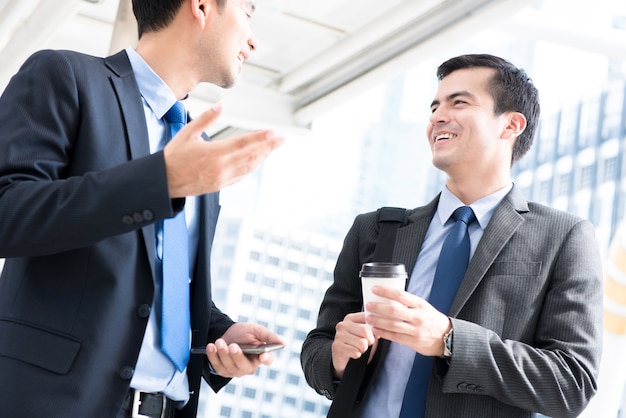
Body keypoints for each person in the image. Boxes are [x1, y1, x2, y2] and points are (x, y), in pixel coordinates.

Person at [0, 0, 286, 417]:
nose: (253, 41)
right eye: (248, 12)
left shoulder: (197, 152)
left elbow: (159, 280)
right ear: (202, 6)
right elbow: (7, 211)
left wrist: (221, 334)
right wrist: (162, 182)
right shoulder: (65, 77)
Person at [301, 54, 603, 418]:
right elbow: (318, 347)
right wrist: (335, 357)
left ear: (510, 125)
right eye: (434, 106)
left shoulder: (563, 237)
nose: (437, 117)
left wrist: (449, 340)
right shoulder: (376, 230)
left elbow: (572, 383)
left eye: (458, 102)